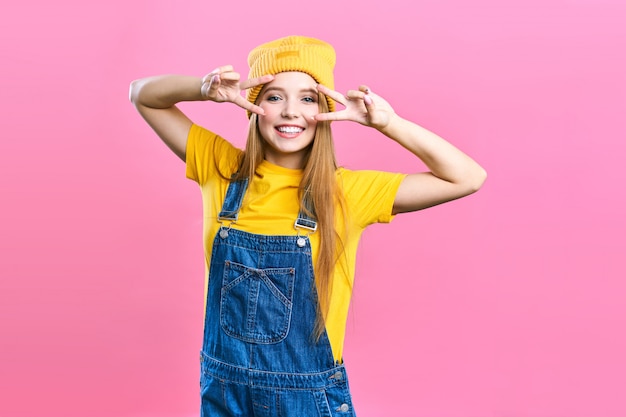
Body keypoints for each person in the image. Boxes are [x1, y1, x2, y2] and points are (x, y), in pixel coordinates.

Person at [129, 35, 486, 417]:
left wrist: (389, 123)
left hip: (307, 402)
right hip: (224, 395)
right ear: (253, 106)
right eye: (274, 96)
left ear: (324, 111)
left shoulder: (344, 192)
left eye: (307, 98)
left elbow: (466, 177)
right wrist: (202, 89)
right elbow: (142, 95)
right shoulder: (220, 168)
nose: (289, 111)